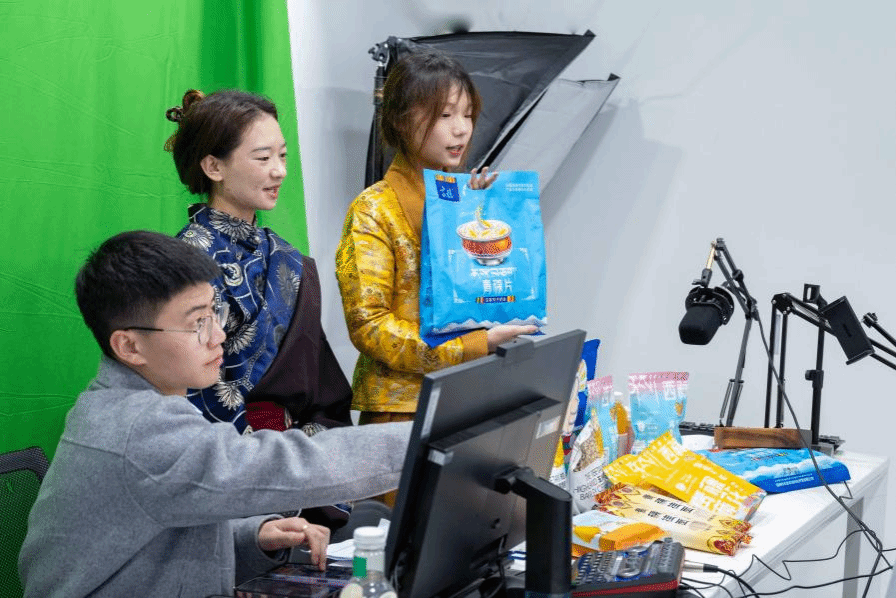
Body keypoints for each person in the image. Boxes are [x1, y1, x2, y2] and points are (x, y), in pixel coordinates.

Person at [17, 231, 411, 598]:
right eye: (197, 324)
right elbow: (283, 466)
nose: (219, 335)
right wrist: (418, 438)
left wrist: (251, 536)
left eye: (214, 314)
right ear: (130, 347)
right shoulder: (138, 428)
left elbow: (156, 539)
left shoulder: (123, 402)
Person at [335, 50, 535, 504]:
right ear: (402, 120)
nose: (461, 129)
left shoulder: (465, 198)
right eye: (445, 115)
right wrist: (471, 345)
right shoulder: (374, 208)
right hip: (401, 413)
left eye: (467, 114)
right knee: (405, 538)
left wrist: (488, 211)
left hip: (470, 397)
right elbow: (368, 326)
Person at [165, 89, 353, 529]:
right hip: (227, 478)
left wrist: (307, 460)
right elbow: (189, 395)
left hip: (296, 464)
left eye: (282, 156)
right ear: (214, 167)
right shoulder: (183, 264)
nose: (279, 170)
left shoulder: (288, 260)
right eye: (263, 158)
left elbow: (322, 388)